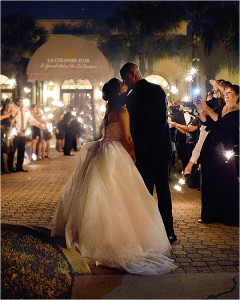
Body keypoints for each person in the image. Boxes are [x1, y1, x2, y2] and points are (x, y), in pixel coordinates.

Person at [51, 78, 177, 275]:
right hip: (116, 151)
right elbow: (126, 137)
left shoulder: (110, 108)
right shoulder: (123, 110)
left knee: (100, 195)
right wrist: (133, 156)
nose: (125, 85)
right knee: (119, 195)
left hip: (103, 148)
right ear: (119, 91)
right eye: (122, 84)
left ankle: (91, 235)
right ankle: (115, 239)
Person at [120, 62, 176, 243]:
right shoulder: (159, 90)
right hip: (162, 148)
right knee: (164, 191)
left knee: (145, 192)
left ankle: (148, 233)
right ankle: (168, 231)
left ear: (131, 74)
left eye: (124, 78)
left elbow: (135, 127)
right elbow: (161, 119)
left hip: (144, 151)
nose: (124, 82)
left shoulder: (133, 96)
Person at [194, 84, 239, 226]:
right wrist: (200, 109)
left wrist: (206, 107)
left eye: (229, 92)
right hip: (210, 149)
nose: (226, 95)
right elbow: (207, 122)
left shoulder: (237, 113)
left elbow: (222, 123)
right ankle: (209, 215)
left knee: (227, 182)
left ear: (237, 95)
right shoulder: (219, 109)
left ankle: (229, 216)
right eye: (225, 92)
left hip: (225, 152)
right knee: (208, 182)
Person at [8, 97, 44, 172]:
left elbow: (31, 120)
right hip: (15, 132)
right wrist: (18, 131)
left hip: (23, 132)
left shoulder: (26, 110)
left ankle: (19, 166)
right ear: (17, 102)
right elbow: (11, 122)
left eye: (23, 102)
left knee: (21, 150)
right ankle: (10, 167)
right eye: (21, 102)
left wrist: (39, 124)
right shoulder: (13, 109)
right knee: (13, 150)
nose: (22, 103)